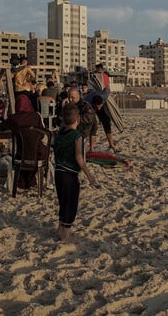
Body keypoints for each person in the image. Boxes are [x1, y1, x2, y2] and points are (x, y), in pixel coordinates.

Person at [53, 103, 97, 242]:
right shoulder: (77, 136)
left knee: (63, 201)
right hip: (69, 174)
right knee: (71, 204)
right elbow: (79, 157)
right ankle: (66, 233)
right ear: (78, 119)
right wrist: (89, 174)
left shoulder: (59, 133)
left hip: (58, 172)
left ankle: (60, 229)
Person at [0, 93, 47, 188]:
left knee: (20, 154)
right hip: (39, 154)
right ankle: (30, 181)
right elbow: (42, 134)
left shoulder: (14, 118)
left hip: (21, 155)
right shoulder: (36, 116)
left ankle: (23, 181)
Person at [68, 87, 97, 152]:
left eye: (72, 97)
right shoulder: (68, 105)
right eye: (69, 97)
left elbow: (88, 118)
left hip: (82, 129)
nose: (70, 99)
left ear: (78, 96)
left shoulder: (85, 106)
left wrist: (73, 119)